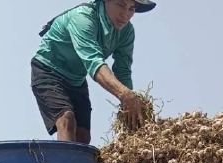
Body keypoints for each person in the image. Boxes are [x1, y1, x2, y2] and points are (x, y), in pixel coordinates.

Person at [31, 0, 156, 143]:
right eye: (121, 5)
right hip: (48, 70)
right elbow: (93, 61)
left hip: (77, 78)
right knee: (66, 120)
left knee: (83, 136)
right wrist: (124, 94)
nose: (125, 14)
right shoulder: (83, 18)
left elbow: (123, 71)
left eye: (131, 9)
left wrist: (131, 107)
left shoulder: (127, 32)